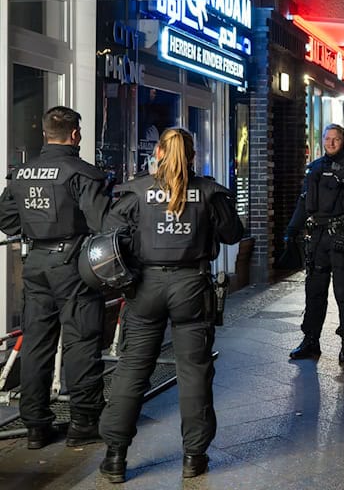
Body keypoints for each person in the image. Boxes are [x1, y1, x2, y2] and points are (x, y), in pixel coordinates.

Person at [97, 128, 243, 483]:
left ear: (159, 152)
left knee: (132, 369)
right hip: (191, 287)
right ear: (192, 156)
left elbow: (108, 238)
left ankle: (115, 457)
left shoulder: (135, 192)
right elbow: (233, 234)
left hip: (146, 288)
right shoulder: (210, 191)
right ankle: (194, 456)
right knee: (194, 371)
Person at [0, 106, 111, 449]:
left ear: (44, 134)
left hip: (35, 264)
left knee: (36, 344)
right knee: (80, 342)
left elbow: (6, 219)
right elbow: (103, 225)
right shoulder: (82, 173)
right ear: (75, 135)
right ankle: (83, 422)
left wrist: (34, 231)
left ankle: (36, 426)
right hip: (73, 266)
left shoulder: (21, 174)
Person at [284, 123, 344, 363]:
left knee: (343, 292)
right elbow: (304, 202)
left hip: (341, 236)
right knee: (314, 292)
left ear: (342, 141)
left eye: (335, 139)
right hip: (318, 239)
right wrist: (292, 229)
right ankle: (311, 341)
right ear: (322, 140)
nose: (331, 143)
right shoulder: (314, 169)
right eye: (327, 138)